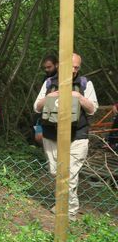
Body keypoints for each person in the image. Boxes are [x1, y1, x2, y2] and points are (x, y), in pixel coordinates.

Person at [33, 52, 98, 220]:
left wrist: (79, 98)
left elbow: (93, 109)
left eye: (77, 67)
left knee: (70, 174)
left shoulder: (85, 83)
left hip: (78, 136)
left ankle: (69, 213)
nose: (74, 70)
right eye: (71, 66)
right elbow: (36, 107)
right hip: (51, 135)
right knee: (56, 172)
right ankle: (61, 202)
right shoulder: (49, 83)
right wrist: (48, 97)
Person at [34, 53, 59, 144]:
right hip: (43, 110)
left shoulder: (61, 78)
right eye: (45, 68)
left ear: (56, 65)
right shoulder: (46, 79)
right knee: (39, 136)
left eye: (49, 67)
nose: (47, 70)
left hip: (56, 111)